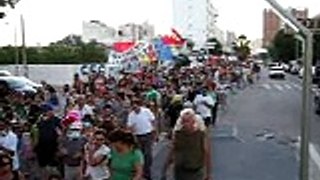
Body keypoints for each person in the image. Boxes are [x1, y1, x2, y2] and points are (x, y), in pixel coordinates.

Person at [163, 108, 211, 180]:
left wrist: (208, 173)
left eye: (187, 121)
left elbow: (206, 152)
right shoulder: (178, 134)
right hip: (180, 170)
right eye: (183, 121)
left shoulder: (200, 134)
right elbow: (173, 149)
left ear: (193, 121)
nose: (185, 124)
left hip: (196, 170)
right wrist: (165, 168)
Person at [127, 97, 155, 180]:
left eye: (136, 105)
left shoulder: (146, 111)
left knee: (148, 154)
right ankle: (140, 172)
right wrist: (131, 129)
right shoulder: (131, 115)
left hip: (147, 135)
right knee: (140, 155)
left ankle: (147, 172)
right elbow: (129, 126)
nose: (134, 107)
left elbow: (152, 120)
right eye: (133, 105)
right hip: (137, 136)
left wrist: (154, 131)